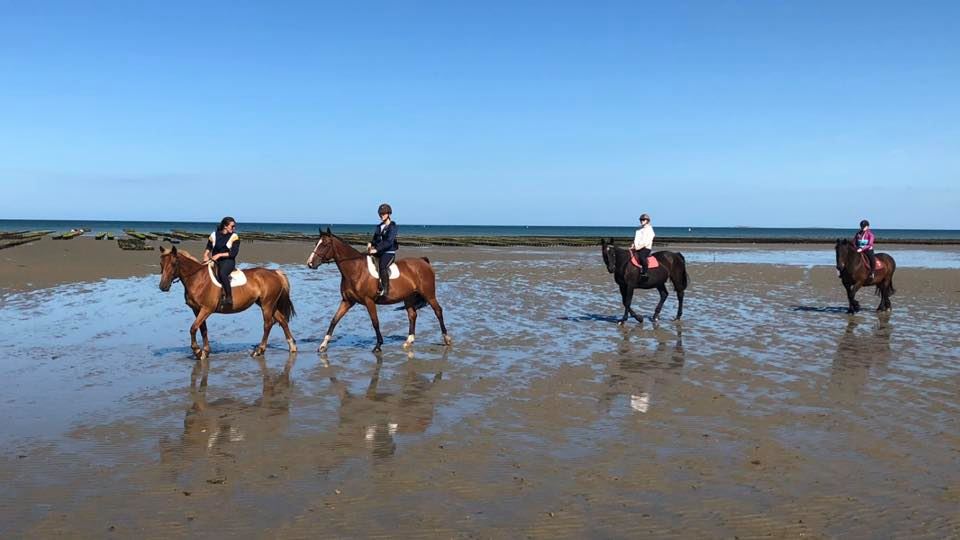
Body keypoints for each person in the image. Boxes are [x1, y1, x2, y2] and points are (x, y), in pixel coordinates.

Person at [204, 216, 240, 309]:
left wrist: (219, 255)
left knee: (222, 273)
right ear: (225, 226)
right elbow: (209, 247)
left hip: (228, 261)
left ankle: (229, 297)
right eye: (232, 226)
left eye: (234, 226)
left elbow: (233, 253)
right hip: (214, 260)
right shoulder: (213, 235)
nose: (234, 228)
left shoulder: (234, 237)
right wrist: (206, 254)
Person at [367, 203, 398, 297]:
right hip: (379, 251)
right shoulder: (379, 227)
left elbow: (388, 242)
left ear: (388, 214)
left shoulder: (393, 227)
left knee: (382, 266)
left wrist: (376, 250)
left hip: (389, 252)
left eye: (383, 214)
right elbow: (375, 239)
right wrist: (370, 244)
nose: (381, 216)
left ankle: (385, 290)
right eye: (380, 214)